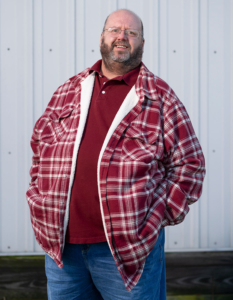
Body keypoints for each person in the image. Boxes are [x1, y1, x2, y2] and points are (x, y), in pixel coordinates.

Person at [26, 9, 205, 300]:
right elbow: (40, 144)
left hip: (127, 252)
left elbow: (190, 165)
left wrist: (155, 216)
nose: (122, 37)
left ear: (142, 43)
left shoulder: (160, 97)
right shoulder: (68, 90)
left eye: (131, 33)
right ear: (102, 37)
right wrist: (39, 196)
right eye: (115, 30)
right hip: (63, 250)